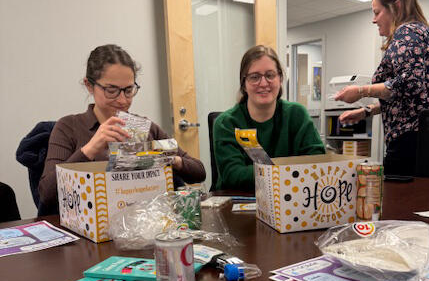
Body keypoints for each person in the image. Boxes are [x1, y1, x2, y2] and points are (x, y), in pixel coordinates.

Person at [39, 44, 206, 211]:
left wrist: (169, 158)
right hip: (91, 227)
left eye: (128, 90)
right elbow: (46, 195)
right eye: (111, 90)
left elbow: (199, 172)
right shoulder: (69, 127)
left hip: (142, 223)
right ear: (89, 85)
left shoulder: (145, 128)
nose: (122, 100)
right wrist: (89, 149)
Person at [335, 0, 429, 176]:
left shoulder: (406, 33)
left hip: (410, 141)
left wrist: (361, 91)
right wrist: (367, 112)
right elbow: (413, 96)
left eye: (377, 12)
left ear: (396, 7)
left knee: (397, 201)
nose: (374, 19)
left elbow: (409, 83)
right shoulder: (423, 32)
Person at [213, 45, 325, 191]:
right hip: (241, 202)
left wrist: (263, 171)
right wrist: (291, 169)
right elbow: (233, 176)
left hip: (290, 200)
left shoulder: (297, 115)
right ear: (244, 84)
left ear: (280, 79)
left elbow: (317, 161)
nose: (264, 83)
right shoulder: (226, 123)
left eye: (270, 75)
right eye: (255, 77)